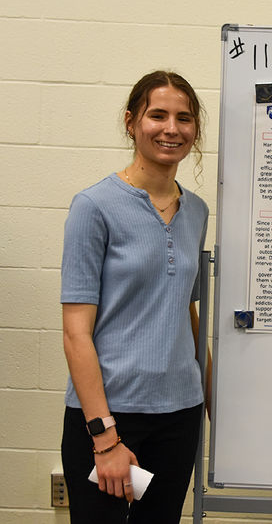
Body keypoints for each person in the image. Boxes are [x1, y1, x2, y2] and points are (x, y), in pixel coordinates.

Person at [60, 70, 211, 523]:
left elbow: (186, 310)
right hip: (110, 415)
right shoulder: (94, 206)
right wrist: (104, 437)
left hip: (180, 413)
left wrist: (211, 400)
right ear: (131, 122)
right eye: (157, 115)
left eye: (184, 118)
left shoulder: (197, 210)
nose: (171, 129)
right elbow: (75, 333)